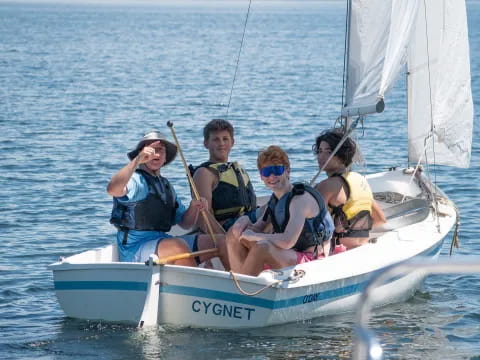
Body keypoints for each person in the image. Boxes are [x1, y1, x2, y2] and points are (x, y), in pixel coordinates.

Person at [225, 145, 334, 276]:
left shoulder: (299, 200)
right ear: (261, 176)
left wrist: (255, 236)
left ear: (287, 171)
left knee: (262, 247)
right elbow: (258, 227)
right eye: (266, 172)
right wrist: (243, 224)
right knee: (234, 234)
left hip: (312, 258)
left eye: (276, 170)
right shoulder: (276, 199)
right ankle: (241, 280)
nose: (271, 176)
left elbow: (288, 241)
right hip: (290, 253)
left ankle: (244, 288)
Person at [107, 131, 207, 266]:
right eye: (151, 150)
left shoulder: (166, 186)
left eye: (160, 150)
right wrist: (137, 160)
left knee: (218, 242)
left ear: (165, 158)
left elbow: (185, 223)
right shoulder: (136, 180)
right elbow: (112, 189)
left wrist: (194, 207)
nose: (156, 154)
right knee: (178, 246)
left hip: (162, 241)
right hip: (136, 248)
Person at [189, 119, 258, 269]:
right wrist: (226, 242)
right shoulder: (204, 174)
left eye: (225, 139)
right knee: (270, 212)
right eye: (215, 139)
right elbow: (204, 217)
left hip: (247, 224)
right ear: (206, 143)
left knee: (279, 206)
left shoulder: (237, 170)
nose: (221, 143)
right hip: (228, 229)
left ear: (233, 142)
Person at [313, 128, 386, 250]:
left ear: (342, 155)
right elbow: (380, 220)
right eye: (320, 151)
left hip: (338, 250)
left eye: (329, 151)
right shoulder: (360, 180)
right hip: (362, 245)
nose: (321, 156)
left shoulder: (326, 186)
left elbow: (314, 227)